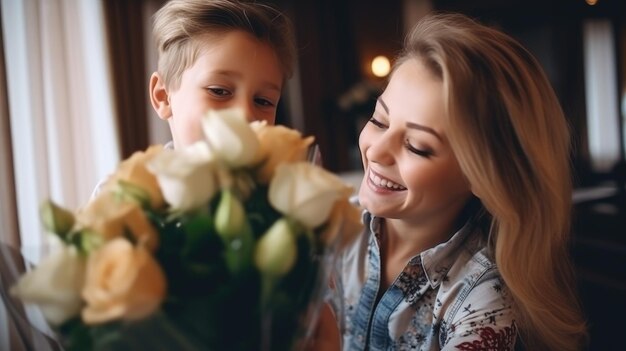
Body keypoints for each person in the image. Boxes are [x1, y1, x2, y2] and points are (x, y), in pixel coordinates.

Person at [320, 13, 587, 351]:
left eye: (417, 147)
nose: (377, 151)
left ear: (482, 176)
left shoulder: (483, 300)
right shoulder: (326, 227)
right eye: (379, 120)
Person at [149, 0, 296, 149]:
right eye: (218, 91)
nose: (245, 114)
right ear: (163, 97)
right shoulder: (137, 173)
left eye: (263, 101)